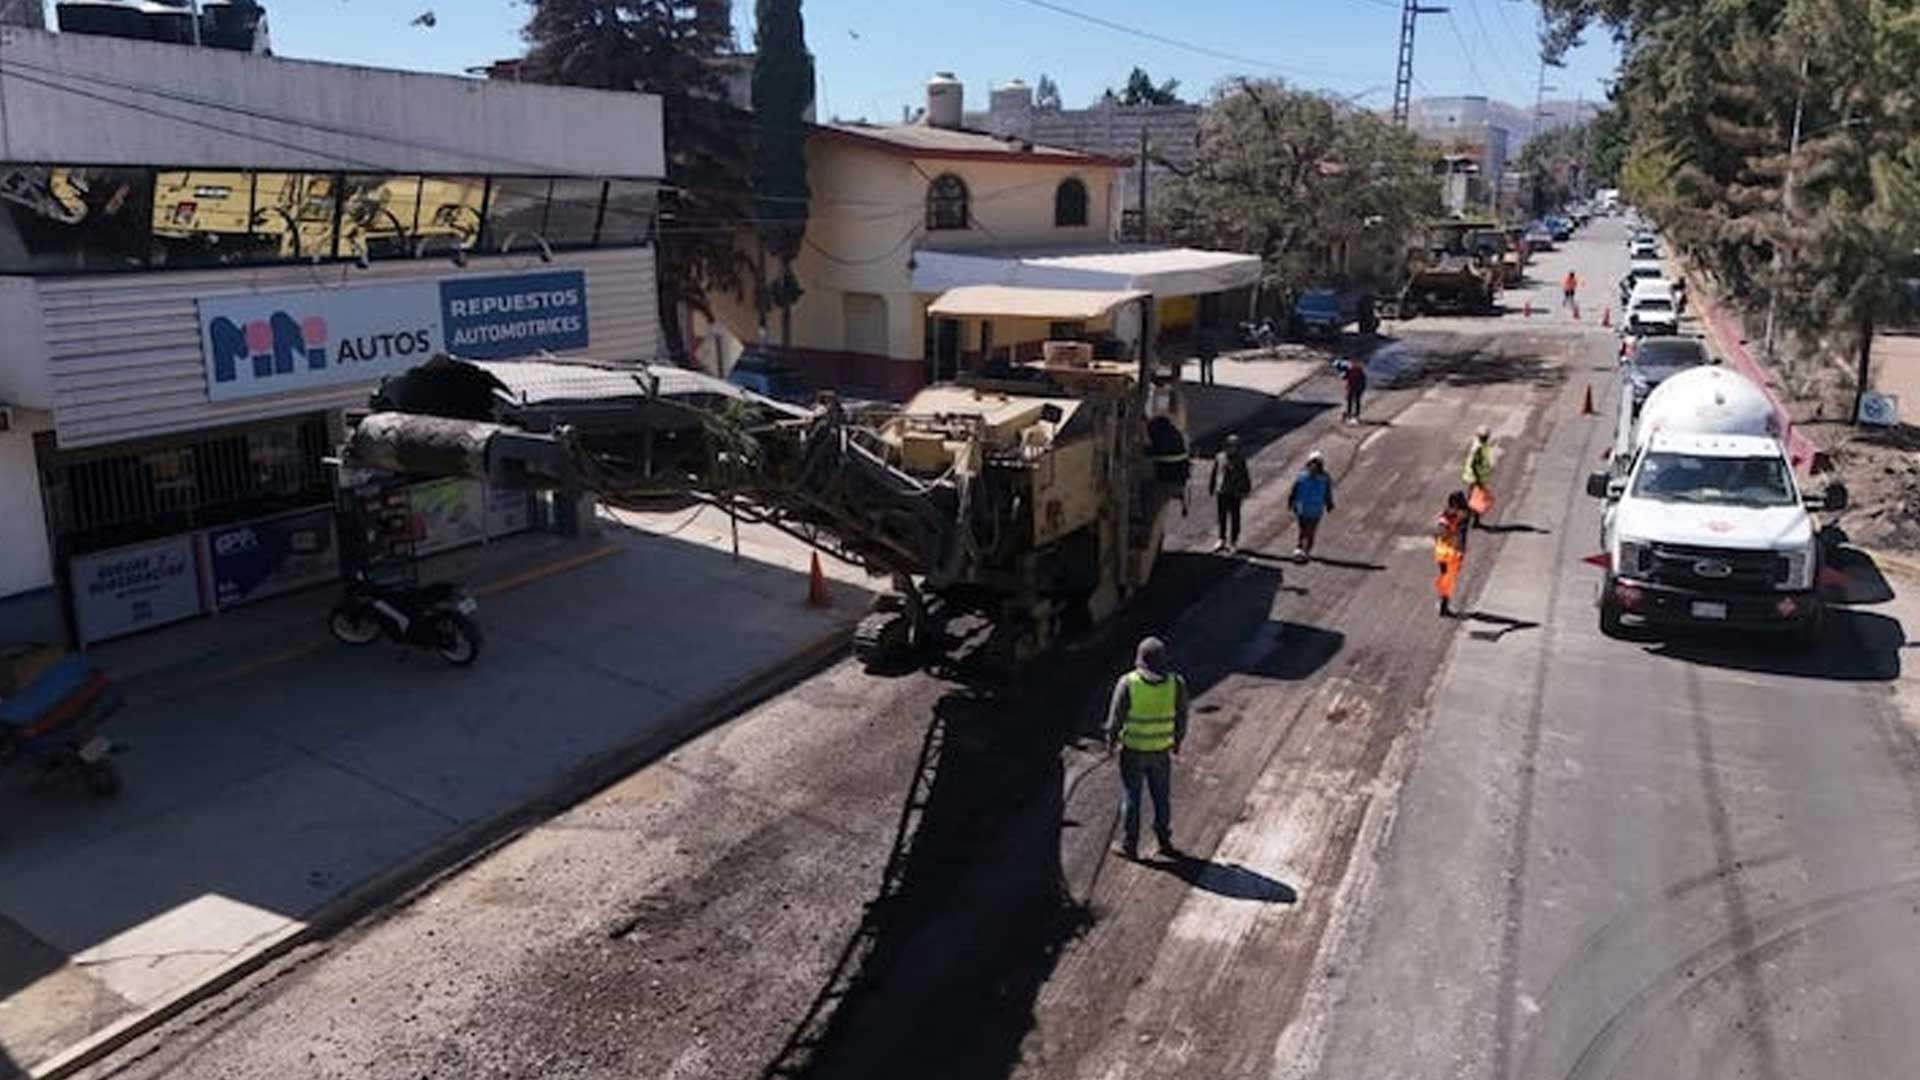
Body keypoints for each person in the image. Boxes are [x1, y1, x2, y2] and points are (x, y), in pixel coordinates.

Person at [1105, 636, 1188, 860]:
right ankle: (1164, 841)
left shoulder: (1128, 683)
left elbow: (1115, 719)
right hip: (1161, 751)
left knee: (1132, 797)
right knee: (1161, 797)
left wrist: (1110, 743)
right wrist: (1177, 742)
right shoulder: (1176, 683)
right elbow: (1182, 717)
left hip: (1133, 751)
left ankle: (1129, 846)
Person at [1287, 450, 1335, 563]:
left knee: (1310, 531)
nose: (1314, 467)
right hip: (1302, 508)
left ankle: (1306, 551)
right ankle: (1299, 548)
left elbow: (1327, 492)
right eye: (1312, 463)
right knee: (1303, 530)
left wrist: (1329, 503)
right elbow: (1294, 490)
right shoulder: (1302, 477)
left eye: (1317, 464)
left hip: (1315, 509)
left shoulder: (1325, 478)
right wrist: (1291, 502)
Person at [1209, 434, 1252, 553]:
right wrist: (1212, 486)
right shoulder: (1219, 457)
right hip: (1222, 491)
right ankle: (1221, 539)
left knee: (1235, 517)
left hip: (1234, 492)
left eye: (1233, 446)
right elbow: (1214, 472)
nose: (1230, 448)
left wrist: (1246, 489)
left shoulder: (1240, 460)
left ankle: (1233, 541)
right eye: (1228, 445)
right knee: (1221, 516)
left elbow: (1245, 475)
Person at [1434, 490, 1472, 618]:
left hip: (1443, 551)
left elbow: (1439, 533)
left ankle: (1443, 603)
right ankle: (1443, 605)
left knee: (1446, 578)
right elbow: (1458, 536)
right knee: (1448, 579)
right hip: (1451, 553)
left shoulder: (1448, 515)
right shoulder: (1462, 515)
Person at [1462, 425, 1496, 528]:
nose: (1487, 438)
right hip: (1475, 478)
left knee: (1474, 498)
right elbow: (1473, 464)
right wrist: (1478, 480)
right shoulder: (1478, 448)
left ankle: (1473, 520)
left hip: (1476, 477)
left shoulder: (1480, 444)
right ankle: (1470, 520)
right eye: (1485, 436)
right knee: (1475, 499)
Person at [1341, 355, 1369, 424]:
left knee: (1351, 401)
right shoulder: (1357, 370)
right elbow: (1345, 377)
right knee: (1353, 401)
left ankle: (1351, 415)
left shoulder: (1353, 370)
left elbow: (1344, 377)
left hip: (1354, 387)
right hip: (1354, 387)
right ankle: (1352, 415)